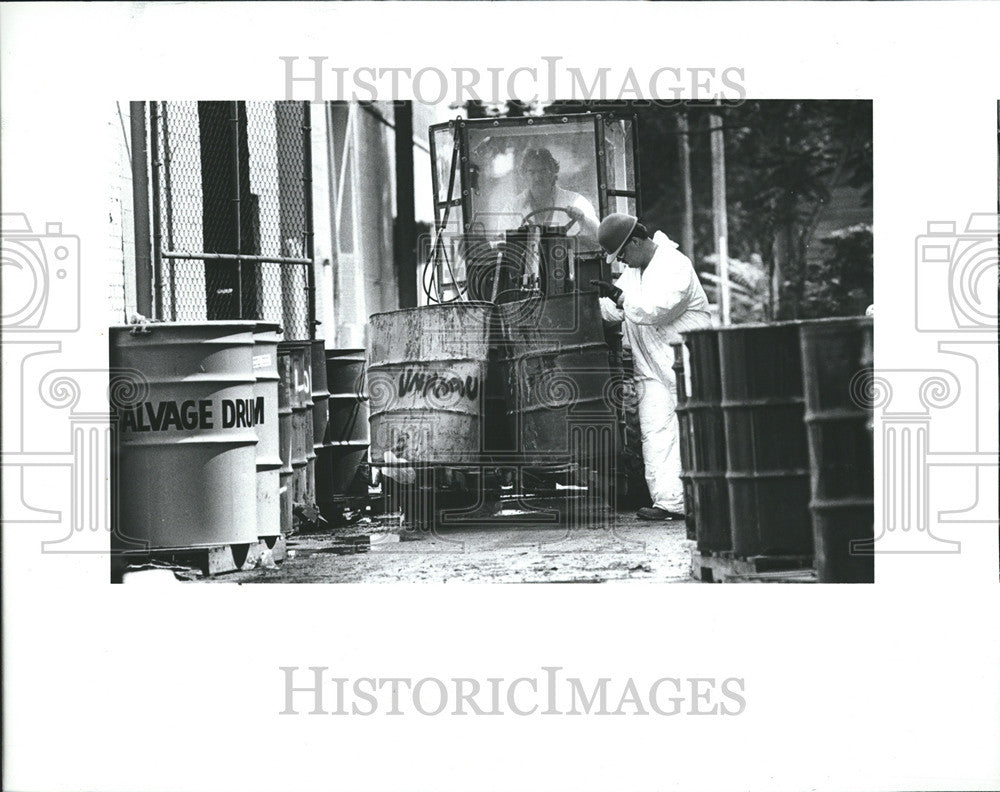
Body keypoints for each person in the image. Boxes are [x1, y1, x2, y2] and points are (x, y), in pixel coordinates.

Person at [591, 213, 712, 521]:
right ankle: (670, 502)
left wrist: (619, 298)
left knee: (698, 430)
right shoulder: (636, 271)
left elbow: (654, 310)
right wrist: (594, 302)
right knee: (656, 432)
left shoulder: (675, 265)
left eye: (622, 255)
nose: (622, 263)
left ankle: (710, 500)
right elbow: (618, 309)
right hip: (652, 367)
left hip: (686, 360)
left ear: (635, 241)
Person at [505, 148, 600, 248]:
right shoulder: (512, 208)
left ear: (553, 173)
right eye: (532, 172)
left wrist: (582, 220)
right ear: (524, 175)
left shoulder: (577, 202)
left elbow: (598, 241)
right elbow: (501, 245)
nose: (538, 178)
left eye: (543, 171)